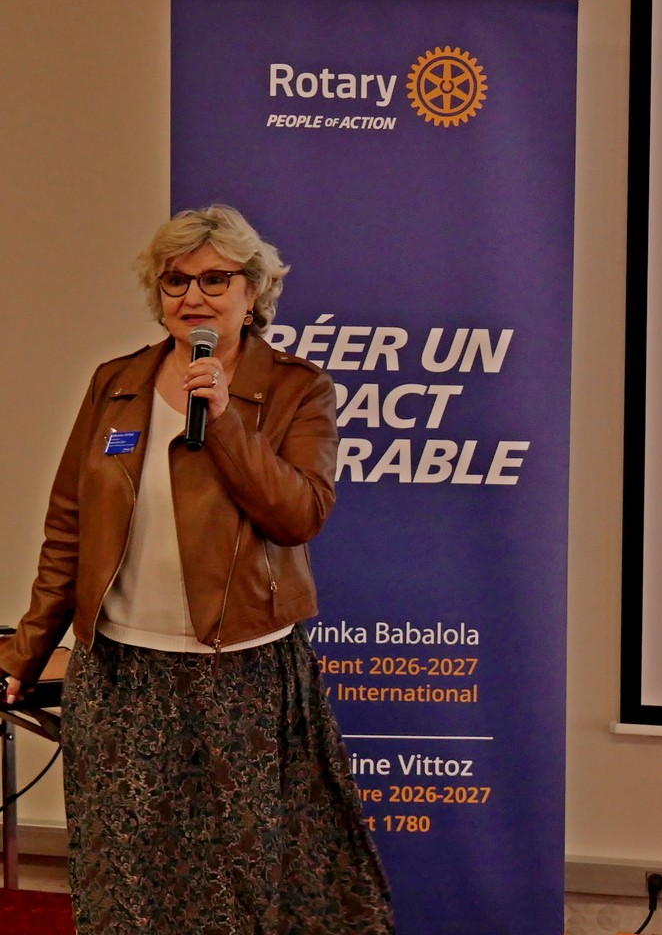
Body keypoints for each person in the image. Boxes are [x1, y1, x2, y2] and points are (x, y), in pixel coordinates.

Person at [0, 205, 395, 933]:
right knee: (125, 875)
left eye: (216, 279)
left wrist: (226, 422)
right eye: (175, 280)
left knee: (238, 879)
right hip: (121, 674)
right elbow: (68, 528)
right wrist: (24, 653)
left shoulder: (297, 389)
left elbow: (300, 515)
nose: (193, 296)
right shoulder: (115, 383)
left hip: (240, 674)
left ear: (253, 291)